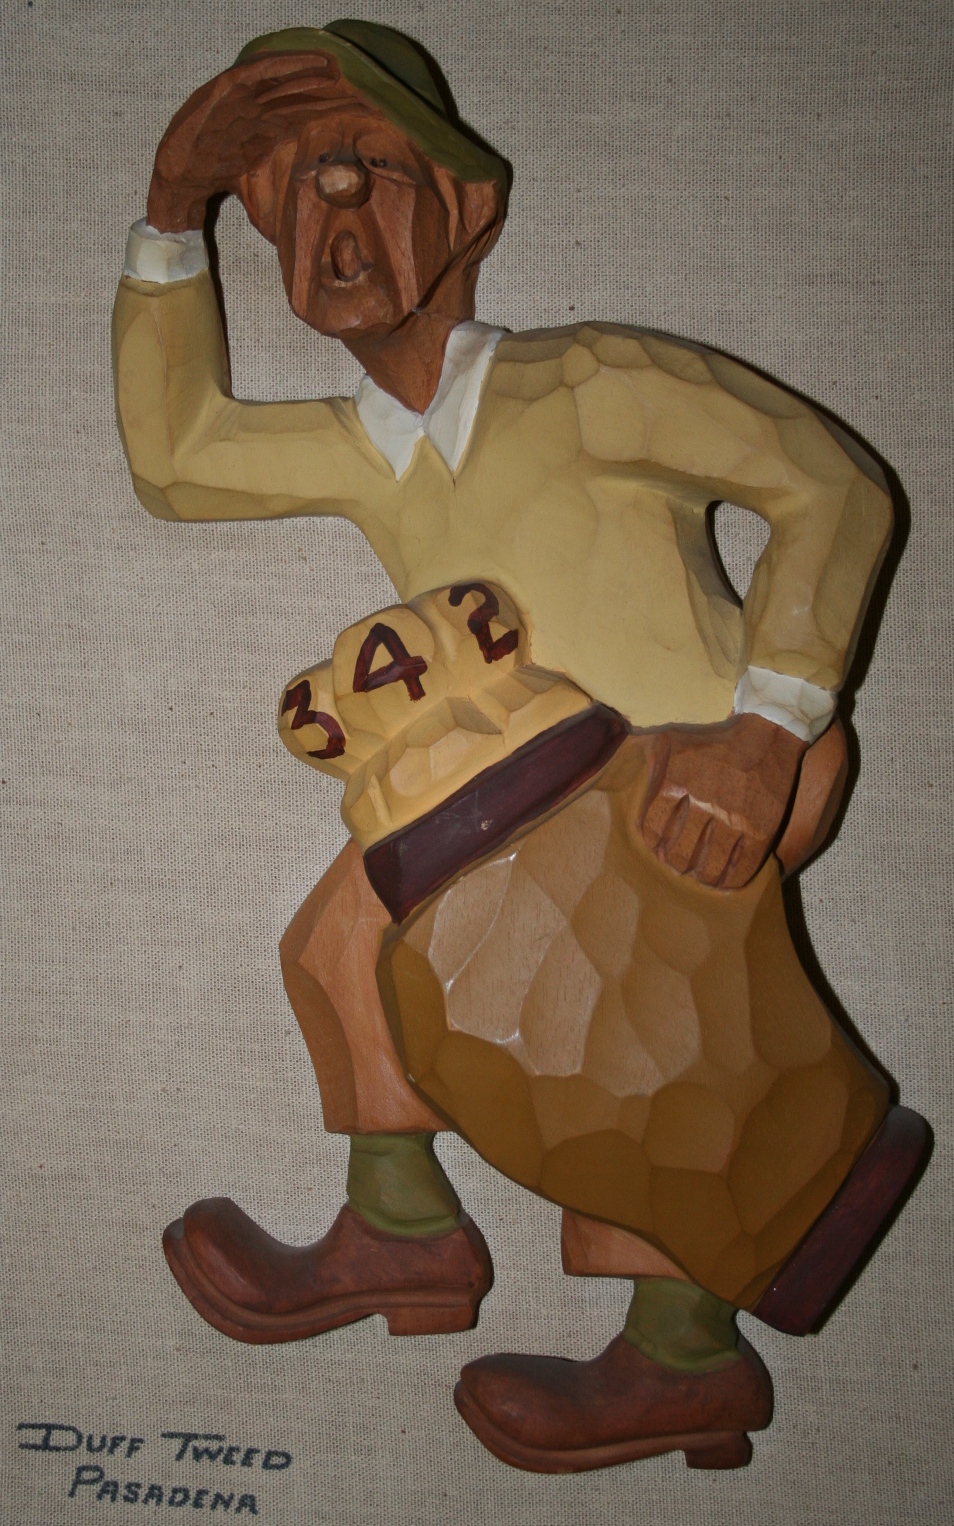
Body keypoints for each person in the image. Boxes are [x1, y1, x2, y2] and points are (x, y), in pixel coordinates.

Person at [112, 21, 927, 1473]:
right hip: (521, 788)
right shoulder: (366, 445)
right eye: (289, 193)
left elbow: (833, 487)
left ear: (471, 207)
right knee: (344, 944)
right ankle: (402, 1227)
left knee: (627, 1037)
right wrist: (174, 213)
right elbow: (177, 461)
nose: (332, 221)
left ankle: (684, 1354)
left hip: (698, 769)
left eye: (368, 173)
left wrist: (767, 726)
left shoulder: (589, 379)